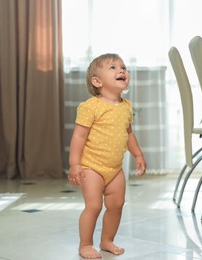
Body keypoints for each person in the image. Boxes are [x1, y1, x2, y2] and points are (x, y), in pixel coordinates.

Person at [68, 53, 147, 259]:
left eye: (123, 67)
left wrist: (138, 154)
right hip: (91, 166)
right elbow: (79, 136)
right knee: (94, 206)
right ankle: (85, 244)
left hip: (115, 168)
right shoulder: (90, 106)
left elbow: (128, 133)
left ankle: (107, 240)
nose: (121, 70)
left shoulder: (126, 106)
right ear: (97, 81)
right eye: (113, 68)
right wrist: (75, 164)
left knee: (116, 205)